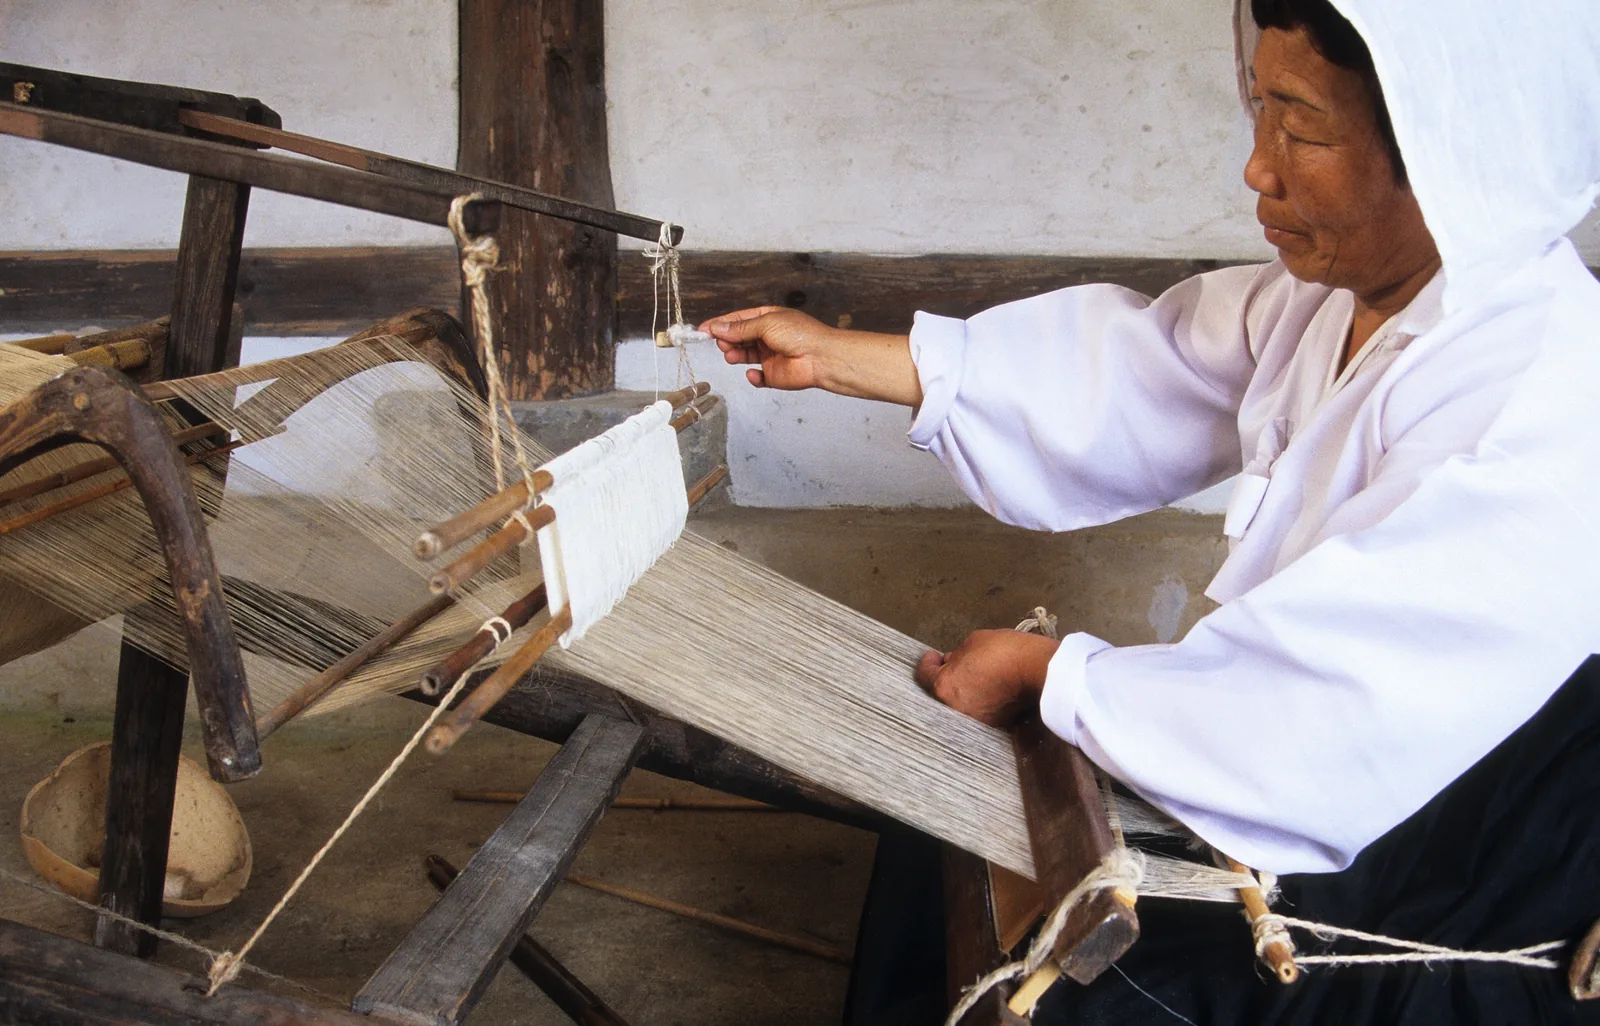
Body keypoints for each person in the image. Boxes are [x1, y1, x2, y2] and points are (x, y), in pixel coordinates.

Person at [704, 0, 1600, 1022]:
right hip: (1306, 785)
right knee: (960, 821)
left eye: (1302, 131)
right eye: (1256, 111)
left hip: (1444, 885)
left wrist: (1059, 676)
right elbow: (1147, 374)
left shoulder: (1538, 386)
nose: (1258, 169)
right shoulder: (1343, 296)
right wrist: (839, 358)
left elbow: (1339, 711)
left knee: (1084, 992)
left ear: (1453, 150)